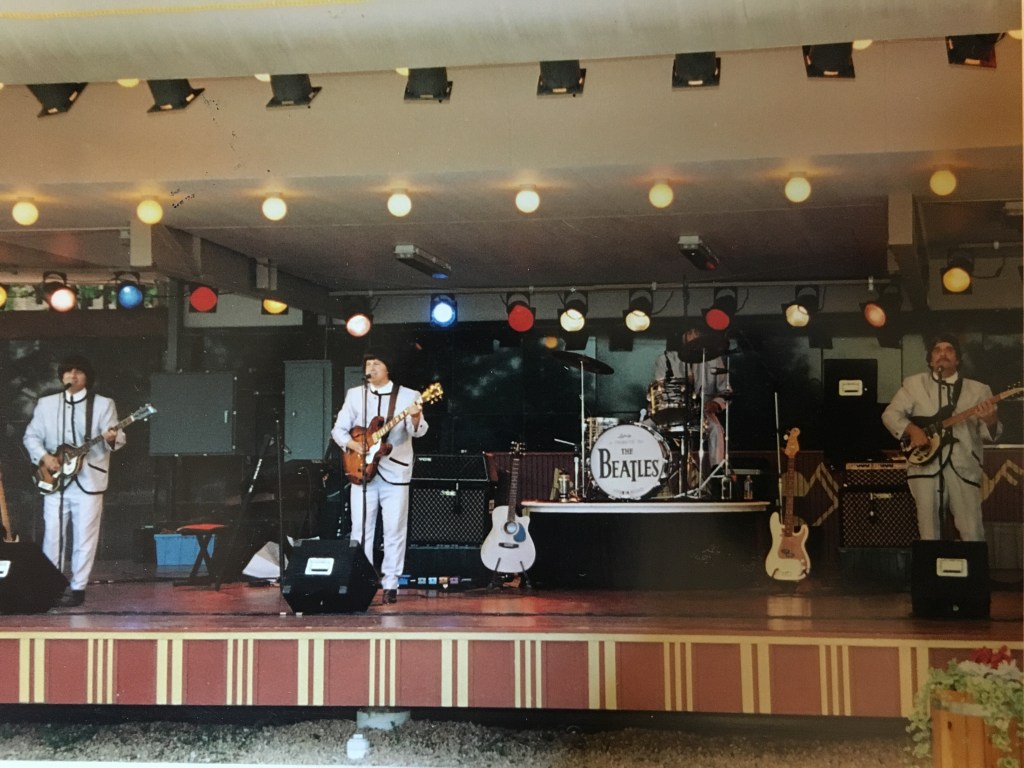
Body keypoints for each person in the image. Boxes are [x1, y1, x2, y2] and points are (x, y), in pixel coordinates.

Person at [23, 354, 125, 607]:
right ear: (62, 376)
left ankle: (78, 588)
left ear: (87, 377)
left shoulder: (102, 404)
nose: (73, 375)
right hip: (55, 481)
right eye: (68, 371)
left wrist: (112, 437)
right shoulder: (47, 404)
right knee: (52, 536)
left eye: (79, 371)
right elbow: (31, 437)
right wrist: (45, 457)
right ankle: (51, 586)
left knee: (84, 537)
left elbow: (118, 438)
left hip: (88, 480)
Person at [882, 333, 1000, 541]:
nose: (943, 354)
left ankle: (973, 564)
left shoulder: (979, 390)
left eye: (949, 350)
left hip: (963, 467)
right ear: (930, 360)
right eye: (937, 350)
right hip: (925, 466)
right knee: (928, 533)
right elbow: (890, 415)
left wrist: (991, 420)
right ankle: (931, 564)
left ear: (957, 359)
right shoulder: (914, 384)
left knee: (972, 531)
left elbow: (988, 433)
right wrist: (913, 430)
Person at [331, 350, 427, 605]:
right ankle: (361, 581)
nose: (371, 368)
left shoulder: (408, 396)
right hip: (361, 471)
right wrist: (355, 444)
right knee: (361, 529)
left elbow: (418, 432)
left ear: (388, 368)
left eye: (376, 363)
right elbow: (338, 430)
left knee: (394, 529)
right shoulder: (356, 395)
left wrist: (415, 416)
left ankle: (391, 583)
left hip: (395, 471)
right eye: (368, 364)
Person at [652, 327, 731, 467]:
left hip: (702, 412)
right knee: (645, 429)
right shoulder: (666, 359)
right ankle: (655, 470)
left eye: (697, 332)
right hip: (671, 411)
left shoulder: (714, 360)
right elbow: (659, 390)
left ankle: (717, 470)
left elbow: (726, 391)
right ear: (681, 337)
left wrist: (715, 404)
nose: (694, 336)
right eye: (689, 332)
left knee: (716, 429)